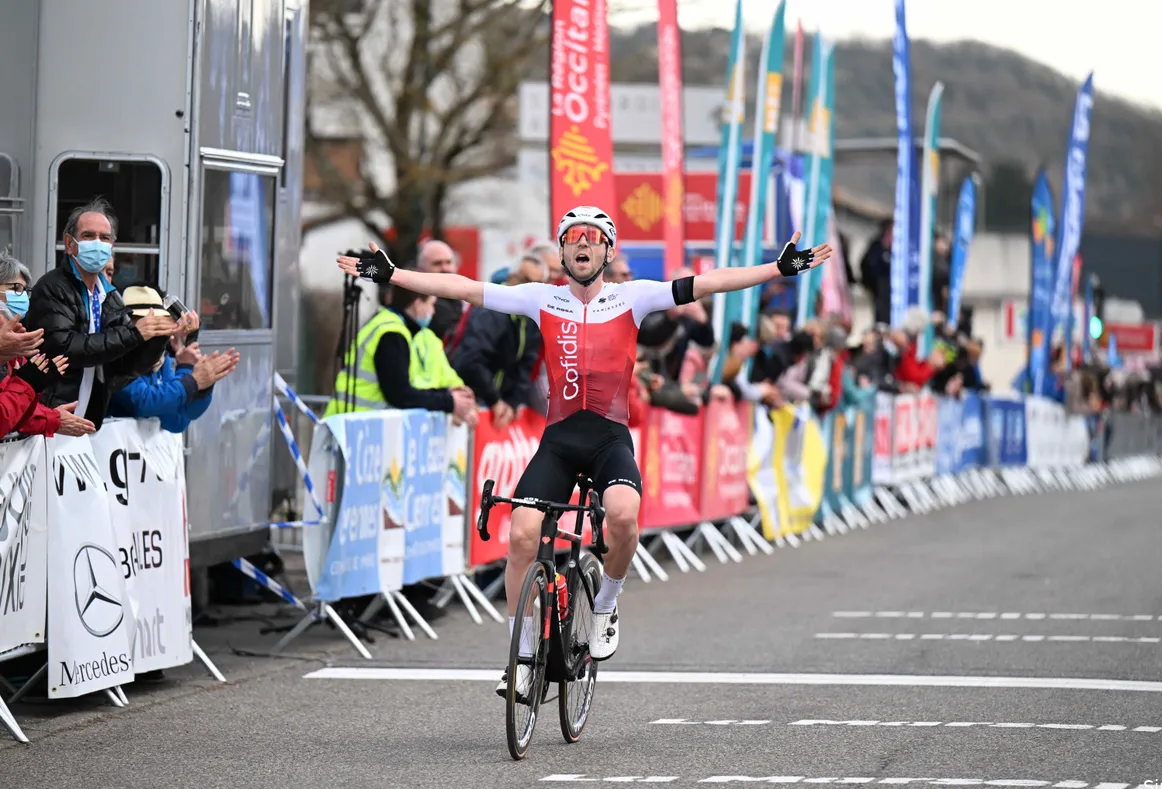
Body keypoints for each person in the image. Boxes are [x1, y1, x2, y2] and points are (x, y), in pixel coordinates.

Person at [336, 205, 832, 701]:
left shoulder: (632, 297)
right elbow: (464, 288)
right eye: (573, 237)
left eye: (593, 238)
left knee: (623, 517)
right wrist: (394, 274)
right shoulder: (541, 298)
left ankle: (605, 606)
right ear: (563, 250)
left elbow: (706, 283)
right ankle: (523, 655)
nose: (583, 243)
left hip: (609, 439)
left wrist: (776, 269)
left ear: (607, 250)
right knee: (523, 535)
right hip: (559, 441)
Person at [24, 199, 198, 427]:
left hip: (84, 422)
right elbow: (65, 348)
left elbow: (125, 368)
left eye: (104, 238)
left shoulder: (109, 297)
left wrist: (159, 334)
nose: (97, 243)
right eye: (88, 236)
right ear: (70, 244)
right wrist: (135, 334)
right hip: (48, 418)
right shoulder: (53, 287)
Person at [323, 281, 477, 425]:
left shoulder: (395, 327)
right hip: (354, 427)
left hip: (358, 426)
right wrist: (449, 402)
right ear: (417, 305)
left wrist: (448, 394)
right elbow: (400, 394)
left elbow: (412, 385)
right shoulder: (391, 333)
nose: (433, 311)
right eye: (431, 304)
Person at [109, 285, 239, 433]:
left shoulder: (161, 360)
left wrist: (200, 378)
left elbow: (177, 420)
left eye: (159, 323)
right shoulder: (116, 357)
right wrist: (193, 381)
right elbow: (143, 402)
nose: (154, 332)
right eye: (145, 322)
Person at [0, 253, 94, 437]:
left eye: (25, 290)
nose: (22, 297)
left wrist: (51, 417)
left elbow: (15, 415)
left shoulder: (16, 343)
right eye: (15, 288)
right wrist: (27, 382)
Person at [446, 257, 544, 429]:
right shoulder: (492, 307)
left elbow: (526, 366)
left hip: (497, 405)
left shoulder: (531, 317)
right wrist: (495, 400)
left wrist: (512, 403)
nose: (529, 290)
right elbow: (472, 358)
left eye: (536, 286)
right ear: (512, 278)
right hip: (473, 399)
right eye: (525, 281)